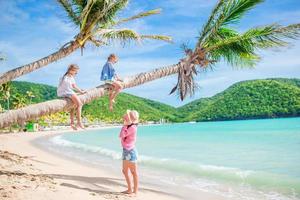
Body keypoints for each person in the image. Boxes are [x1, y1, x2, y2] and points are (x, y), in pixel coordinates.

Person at [57, 64, 86, 130]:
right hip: (68, 92)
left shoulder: (64, 77)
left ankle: (72, 123)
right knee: (80, 104)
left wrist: (80, 90)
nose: (76, 73)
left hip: (62, 93)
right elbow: (74, 86)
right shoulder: (69, 77)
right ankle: (79, 122)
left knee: (73, 106)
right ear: (71, 70)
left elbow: (71, 86)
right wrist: (81, 92)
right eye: (76, 71)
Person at [119, 110, 139, 195]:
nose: (125, 117)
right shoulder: (128, 126)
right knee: (125, 171)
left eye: (127, 116)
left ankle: (135, 191)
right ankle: (130, 189)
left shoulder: (133, 127)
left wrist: (124, 125)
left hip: (130, 151)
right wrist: (125, 124)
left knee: (134, 172)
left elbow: (121, 135)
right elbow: (120, 136)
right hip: (126, 151)